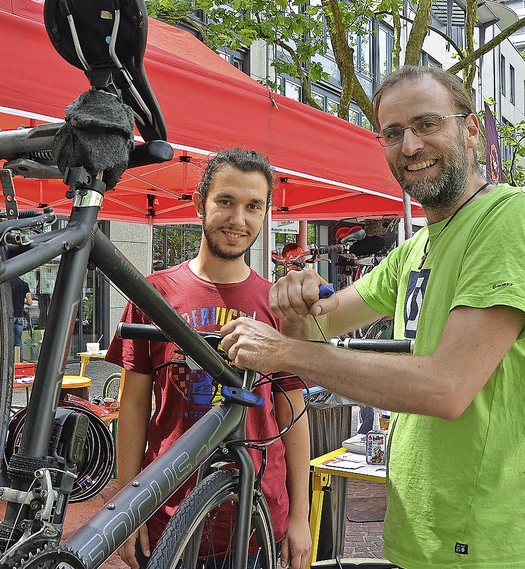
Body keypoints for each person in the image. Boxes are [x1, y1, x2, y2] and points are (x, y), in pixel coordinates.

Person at [220, 66, 525, 568]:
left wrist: (285, 351)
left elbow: (445, 387)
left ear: (470, 130)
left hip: (491, 543)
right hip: (422, 534)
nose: (409, 147)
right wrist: (294, 300)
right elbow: (319, 324)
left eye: (427, 124)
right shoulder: (416, 249)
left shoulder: (506, 219)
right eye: (393, 132)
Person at [105, 147, 312, 569]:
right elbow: (133, 406)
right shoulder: (155, 295)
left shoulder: (276, 304)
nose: (239, 219)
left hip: (258, 521)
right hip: (165, 516)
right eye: (225, 201)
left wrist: (301, 517)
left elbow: (294, 412)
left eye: (253, 206)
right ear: (200, 203)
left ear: (266, 212)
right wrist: (126, 505)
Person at [11, 277, 32, 361]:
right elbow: (30, 302)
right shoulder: (24, 284)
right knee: (18, 341)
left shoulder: (8, 283)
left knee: (8, 340)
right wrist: (22, 301)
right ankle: (19, 361)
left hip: (10, 316)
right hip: (19, 316)